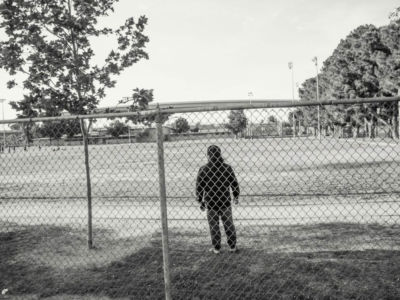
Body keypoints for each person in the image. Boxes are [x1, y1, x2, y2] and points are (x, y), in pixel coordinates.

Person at [196, 145, 240, 254]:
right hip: (224, 200)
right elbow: (234, 183)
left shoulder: (204, 169)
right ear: (220, 154)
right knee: (228, 224)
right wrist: (236, 195)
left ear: (208, 156)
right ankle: (232, 246)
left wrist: (200, 200)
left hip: (210, 202)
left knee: (214, 226)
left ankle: (216, 248)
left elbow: (199, 187)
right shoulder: (227, 168)